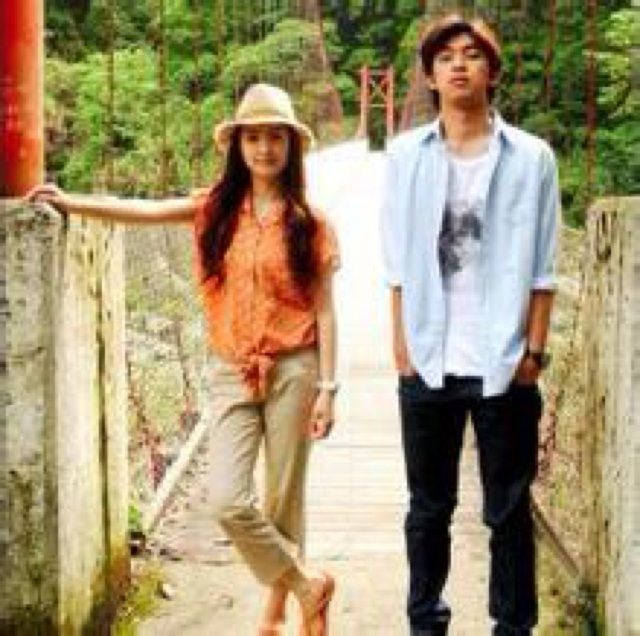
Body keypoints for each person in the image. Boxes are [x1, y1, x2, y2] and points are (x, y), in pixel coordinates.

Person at [28, 82, 340, 636]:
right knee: (228, 500)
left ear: (291, 146)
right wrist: (70, 201)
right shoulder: (213, 210)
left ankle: (276, 612)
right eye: (253, 137)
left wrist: (329, 390)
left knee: (283, 497)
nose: (264, 148)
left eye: (275, 137)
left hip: (295, 367)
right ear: (237, 145)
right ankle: (306, 584)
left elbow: (326, 311)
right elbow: (142, 210)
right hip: (231, 370)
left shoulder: (308, 222)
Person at [380, 13, 559, 636]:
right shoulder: (404, 156)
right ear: (431, 76)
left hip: (503, 360)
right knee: (428, 509)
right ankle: (425, 621)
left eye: (473, 54)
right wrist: (401, 345)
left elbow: (543, 267)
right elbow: (397, 262)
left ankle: (513, 626)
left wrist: (533, 352)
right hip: (428, 358)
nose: (459, 64)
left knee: (507, 512)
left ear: (492, 71)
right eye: (446, 56)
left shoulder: (532, 158)